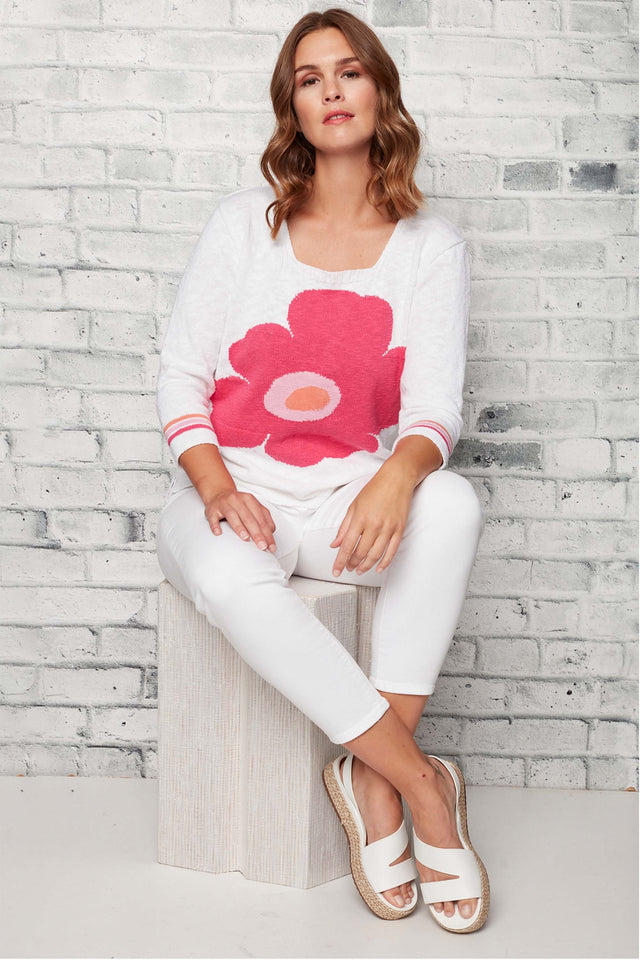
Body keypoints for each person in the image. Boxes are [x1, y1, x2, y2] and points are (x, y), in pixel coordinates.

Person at [156, 7, 489, 934]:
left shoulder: (430, 248)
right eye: (311, 78)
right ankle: (417, 784)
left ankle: (369, 775)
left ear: (380, 93)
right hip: (235, 493)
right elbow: (181, 379)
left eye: (350, 71)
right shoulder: (241, 227)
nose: (332, 91)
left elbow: (434, 408)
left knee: (453, 503)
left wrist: (397, 477)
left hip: (348, 507)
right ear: (292, 106)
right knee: (229, 576)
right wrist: (217, 486)